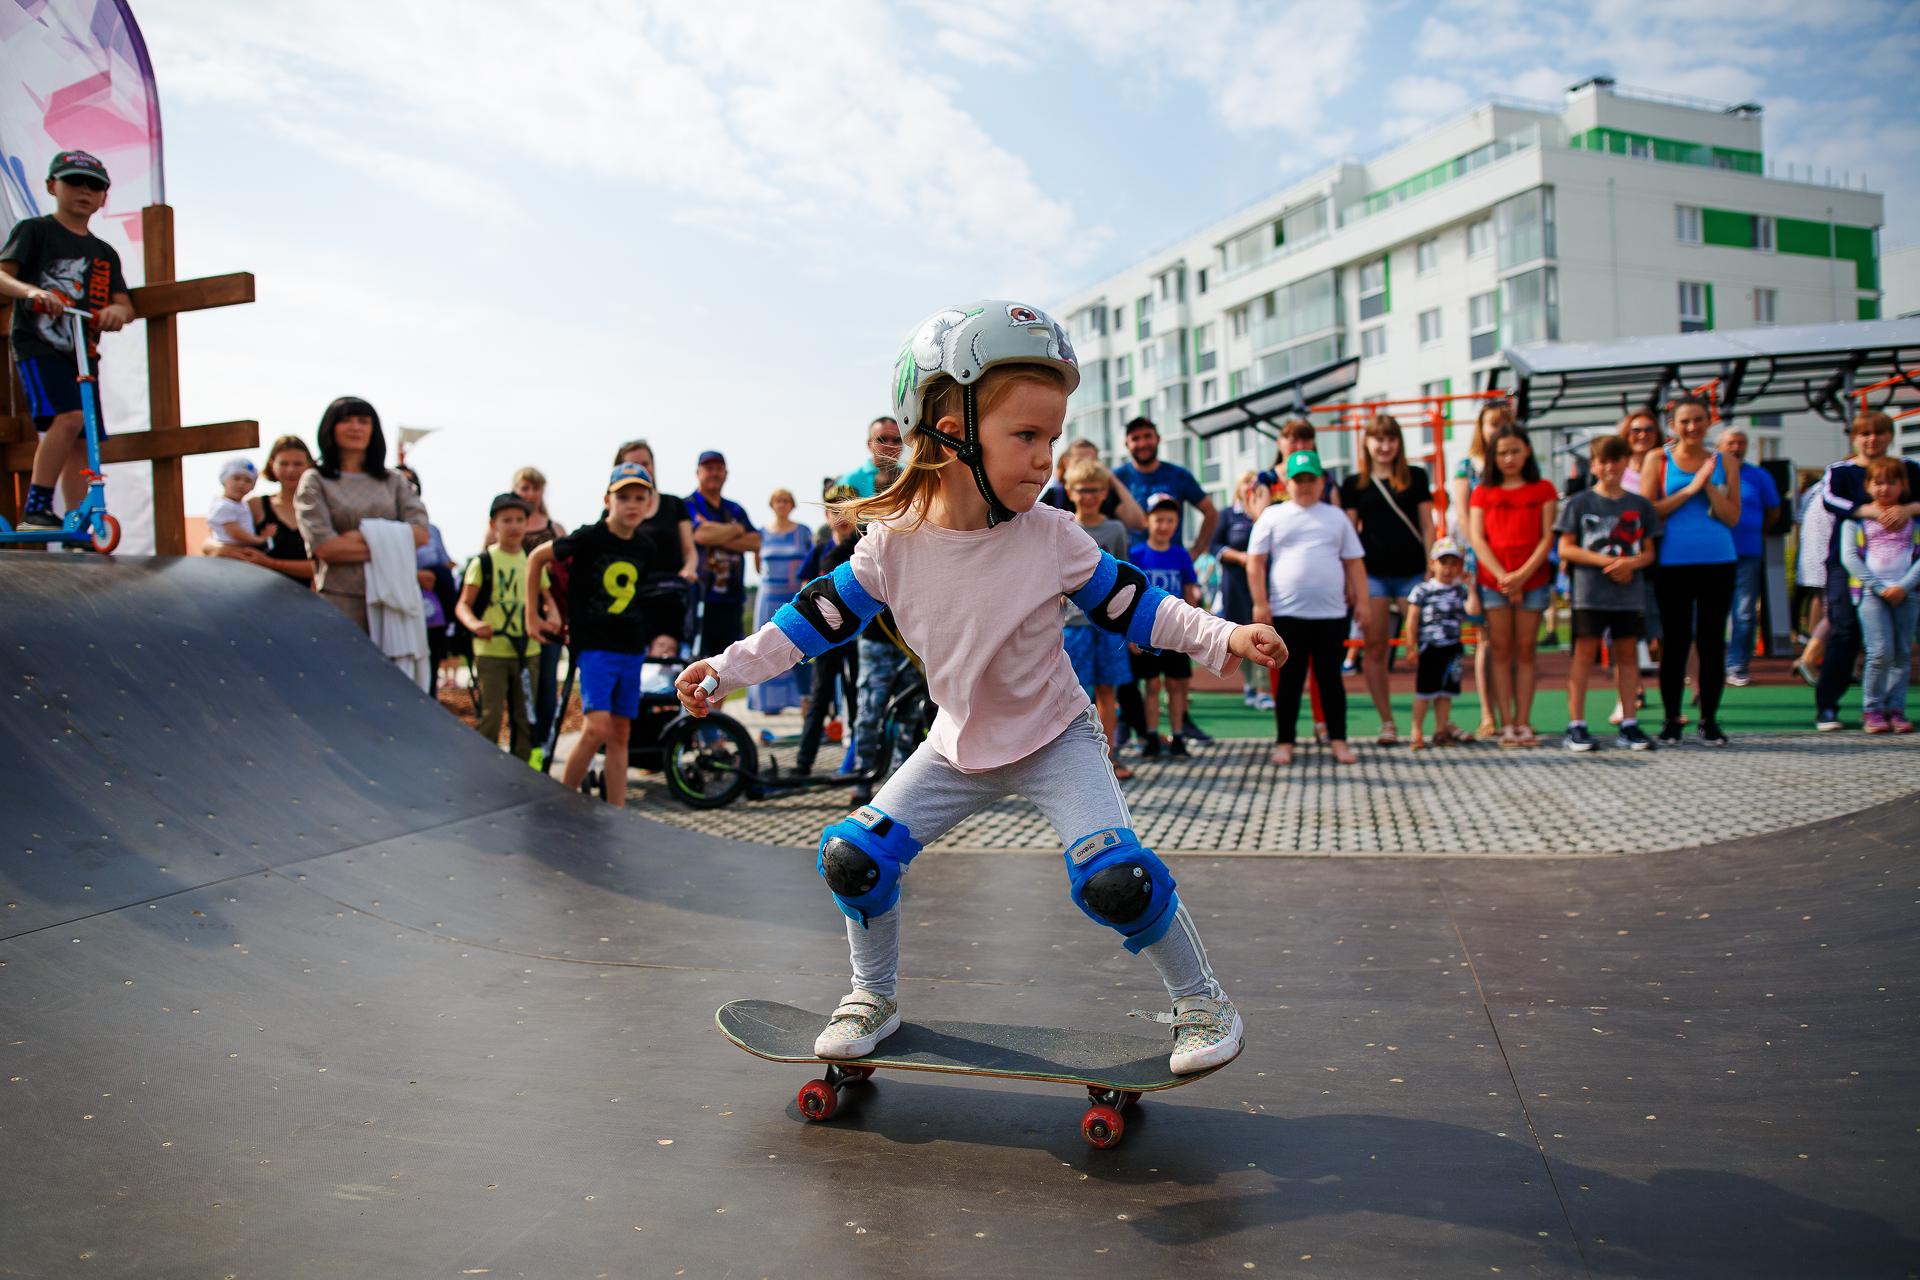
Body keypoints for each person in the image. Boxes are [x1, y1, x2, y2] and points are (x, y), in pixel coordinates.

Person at [677, 300, 1283, 1074]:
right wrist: (724, 670)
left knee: (1116, 879)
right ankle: (875, 995)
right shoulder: (891, 545)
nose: (1046, 460)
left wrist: (1224, 635)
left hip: (1056, 737)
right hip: (956, 744)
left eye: (1054, 439)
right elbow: (811, 620)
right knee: (854, 858)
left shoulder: (1054, 536)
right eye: (1026, 436)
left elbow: (1135, 603)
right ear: (948, 429)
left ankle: (1204, 1005)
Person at [0, 150, 134, 529]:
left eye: (95, 185)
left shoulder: (104, 253)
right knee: (69, 417)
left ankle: (79, 521)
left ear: (104, 197)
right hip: (39, 345)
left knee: (82, 435)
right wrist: (31, 293)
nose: (85, 190)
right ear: (52, 186)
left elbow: (124, 303)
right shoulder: (35, 230)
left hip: (83, 354)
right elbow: (3, 275)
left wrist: (116, 313)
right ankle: (37, 507)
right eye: (74, 181)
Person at [529, 464, 660, 807]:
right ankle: (560, 803)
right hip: (595, 647)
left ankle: (617, 810)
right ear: (607, 499)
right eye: (623, 497)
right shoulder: (588, 537)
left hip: (631, 647)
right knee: (596, 727)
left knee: (621, 733)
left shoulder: (645, 547)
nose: (631, 504)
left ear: (649, 504)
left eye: (639, 498)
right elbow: (536, 558)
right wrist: (532, 614)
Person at [1248, 449, 1364, 766]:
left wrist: (1363, 603)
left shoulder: (1336, 517)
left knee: (1330, 679)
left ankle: (1338, 740)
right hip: (1287, 613)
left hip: (1331, 614)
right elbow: (1254, 562)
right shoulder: (1273, 515)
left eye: (1310, 479)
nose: (1305, 485)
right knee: (1289, 680)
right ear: (1288, 482)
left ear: (1322, 481)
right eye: (1299, 479)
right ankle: (1285, 742)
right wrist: (1260, 602)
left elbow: (1354, 563)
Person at [1642, 396, 1740, 746]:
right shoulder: (1658, 459)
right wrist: (1691, 489)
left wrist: (1709, 484)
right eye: (1685, 421)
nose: (1692, 427)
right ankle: (1671, 719)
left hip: (1718, 560)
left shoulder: (1724, 461)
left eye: (1699, 420)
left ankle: (1709, 720)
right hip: (1672, 564)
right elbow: (1649, 511)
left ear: (1709, 421)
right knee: (1676, 642)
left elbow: (1732, 517)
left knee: (1713, 642)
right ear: (1673, 425)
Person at [1814, 411, 1920, 731]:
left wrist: (1908, 508)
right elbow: (1830, 501)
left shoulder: (1908, 469)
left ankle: (1892, 708)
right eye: (1865, 434)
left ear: (1889, 436)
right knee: (1844, 631)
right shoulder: (1841, 471)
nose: (1872, 440)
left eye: (1879, 433)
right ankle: (1828, 706)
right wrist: (1866, 510)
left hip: (1904, 570)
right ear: (1855, 438)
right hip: (1851, 564)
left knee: (1901, 645)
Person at [1555, 435, 1660, 753]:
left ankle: (1629, 722)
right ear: (1594, 464)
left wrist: (1632, 563)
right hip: (1589, 594)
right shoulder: (1580, 503)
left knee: (1627, 656)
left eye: (1616, 459)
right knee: (1583, 655)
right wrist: (1608, 561)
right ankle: (1576, 724)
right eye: (1603, 461)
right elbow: (1565, 547)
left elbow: (1649, 551)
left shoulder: (1639, 504)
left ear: (1626, 461)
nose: (1609, 467)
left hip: (1628, 595)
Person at [294, 397, 429, 633]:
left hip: (394, 596)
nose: (356, 427)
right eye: (346, 420)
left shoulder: (394, 480)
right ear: (331, 428)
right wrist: (391, 543)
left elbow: (420, 534)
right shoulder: (315, 480)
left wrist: (355, 537)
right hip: (341, 599)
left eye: (363, 421)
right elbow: (326, 548)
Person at [1339, 415, 1434, 746]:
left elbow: (1427, 525)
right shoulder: (1354, 485)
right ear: (1366, 442)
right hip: (1374, 575)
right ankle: (1387, 722)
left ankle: (1431, 719)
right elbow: (1350, 536)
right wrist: (1352, 581)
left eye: (1391, 439)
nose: (1384, 445)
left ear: (1399, 443)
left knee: (1425, 644)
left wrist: (1431, 566)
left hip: (1413, 573)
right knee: (1375, 648)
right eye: (1378, 439)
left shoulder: (1416, 477)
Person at [1468, 425, 1557, 748]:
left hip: (1533, 579)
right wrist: (1504, 577)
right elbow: (1477, 538)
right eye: (1502, 453)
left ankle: (1523, 721)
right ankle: (1505, 722)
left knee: (1526, 651)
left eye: (1515, 451)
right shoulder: (1483, 492)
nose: (1508, 458)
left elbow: (1548, 536)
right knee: (1500, 651)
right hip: (1493, 582)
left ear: (1527, 451)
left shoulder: (1543, 489)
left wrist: (1522, 574)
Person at [457, 493, 546, 761]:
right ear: (493, 524)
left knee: (524, 716)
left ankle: (521, 771)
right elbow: (463, 604)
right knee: (490, 715)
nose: (515, 526)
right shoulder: (483, 562)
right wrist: (475, 624)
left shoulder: (533, 561)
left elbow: (548, 599)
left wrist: (550, 618)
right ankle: (486, 769)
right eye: (507, 520)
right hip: (492, 650)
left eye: (520, 520)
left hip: (526, 650)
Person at [1062, 458, 1135, 780]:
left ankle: (1110, 755)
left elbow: (1127, 576)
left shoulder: (1115, 529)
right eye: (1082, 490)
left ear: (1105, 492)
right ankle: (1076, 759)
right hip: (1073, 625)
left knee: (1108, 691)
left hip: (1107, 624)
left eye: (1094, 490)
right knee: (1075, 693)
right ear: (1070, 491)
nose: (1088, 496)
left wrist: (1131, 626)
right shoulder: (1064, 527)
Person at [1839, 457, 1920, 734]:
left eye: (1892, 482)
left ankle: (1895, 709)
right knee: (1879, 652)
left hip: (1907, 593)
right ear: (1867, 485)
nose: (1884, 488)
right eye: (1878, 482)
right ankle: (1872, 709)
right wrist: (1877, 586)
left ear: (1904, 485)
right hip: (1871, 594)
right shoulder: (1856, 521)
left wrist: (1904, 586)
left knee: (1901, 652)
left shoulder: (1913, 520)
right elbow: (1849, 557)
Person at [791, 486, 862, 776]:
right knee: (820, 695)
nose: (841, 515)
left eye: (847, 508)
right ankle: (803, 763)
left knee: (856, 695)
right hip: (828, 637)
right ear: (826, 514)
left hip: (859, 633)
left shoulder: (863, 544)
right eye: (835, 509)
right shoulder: (820, 549)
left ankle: (858, 760)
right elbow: (805, 585)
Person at [1452, 401, 1512, 739]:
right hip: (1482, 562)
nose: (1499, 429)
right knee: (1486, 640)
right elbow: (1463, 519)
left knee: (1515, 641)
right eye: (1493, 423)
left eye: (1506, 423)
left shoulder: (1516, 465)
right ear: (1481, 428)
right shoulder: (1467, 468)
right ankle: (1489, 715)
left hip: (1516, 560)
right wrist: (1474, 572)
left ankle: (1513, 716)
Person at [1129, 493, 1204, 759]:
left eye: (1170, 520)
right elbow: (1130, 596)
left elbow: (1190, 591)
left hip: (1176, 631)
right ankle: (1150, 736)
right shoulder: (1136, 554)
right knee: (1151, 686)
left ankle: (1178, 736)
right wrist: (1130, 634)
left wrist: (1194, 629)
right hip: (1147, 632)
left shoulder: (1180, 555)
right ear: (1148, 521)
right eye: (1159, 519)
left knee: (1176, 686)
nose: (1164, 525)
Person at [200, 436, 316, 583]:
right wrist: (220, 549)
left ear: (309, 466)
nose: (290, 470)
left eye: (297, 464)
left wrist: (270, 564)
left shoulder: (319, 508)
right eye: (284, 463)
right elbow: (211, 542)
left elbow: (325, 566)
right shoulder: (255, 505)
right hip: (260, 596)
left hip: (308, 598)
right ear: (272, 464)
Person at [1717, 427, 1781, 687]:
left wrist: (1755, 531)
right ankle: (1706, 664)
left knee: (1743, 612)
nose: (1736, 447)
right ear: (1720, 446)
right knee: (1710, 612)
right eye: (1731, 443)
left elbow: (1773, 511)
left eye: (1741, 443)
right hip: (1715, 554)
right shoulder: (1710, 473)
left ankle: (1737, 665)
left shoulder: (1759, 476)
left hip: (1748, 553)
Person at [1210, 470, 1273, 710]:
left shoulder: (1267, 514)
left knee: (1262, 630)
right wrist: (1240, 557)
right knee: (1241, 632)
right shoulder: (1228, 514)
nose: (1251, 485)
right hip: (1235, 584)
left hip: (1262, 584)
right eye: (1246, 480)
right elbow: (1214, 545)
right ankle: (1250, 682)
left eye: (1255, 482)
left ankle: (1262, 687)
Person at [688, 450, 760, 658]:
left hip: (731, 599)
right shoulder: (689, 505)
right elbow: (700, 535)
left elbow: (755, 541)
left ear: (726, 473)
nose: (714, 474)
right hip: (700, 599)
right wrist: (736, 530)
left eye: (718, 469)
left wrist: (717, 534)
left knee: (727, 664)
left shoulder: (735, 509)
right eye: (709, 469)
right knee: (696, 662)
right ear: (698, 472)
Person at [394, 464, 460, 685]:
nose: (407, 488)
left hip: (431, 611)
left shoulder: (432, 530)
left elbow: (444, 561)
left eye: (411, 483)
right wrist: (413, 575)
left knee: (429, 668)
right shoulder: (381, 528)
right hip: (396, 609)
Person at [1113, 417, 1218, 556]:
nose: (1143, 443)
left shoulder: (1179, 475)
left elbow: (1211, 512)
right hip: (1132, 567)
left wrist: (1195, 553)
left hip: (1172, 566)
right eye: (1135, 438)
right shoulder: (1116, 479)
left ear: (1158, 439)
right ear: (1127, 444)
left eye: (1147, 436)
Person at [749, 488, 813, 714]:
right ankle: (770, 703)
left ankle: (804, 699)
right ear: (772, 504)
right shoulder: (761, 533)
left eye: (786, 501)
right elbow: (758, 564)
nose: (782, 505)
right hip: (768, 596)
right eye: (778, 501)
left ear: (792, 504)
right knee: (766, 646)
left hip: (794, 596)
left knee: (799, 645)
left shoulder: (803, 532)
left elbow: (811, 562)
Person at [1403, 539, 1470, 750]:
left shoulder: (1460, 591)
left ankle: (1441, 730)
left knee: (1445, 693)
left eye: (1454, 564)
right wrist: (1411, 646)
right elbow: (1412, 619)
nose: (1448, 569)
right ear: (1433, 564)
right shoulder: (1423, 590)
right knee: (1424, 692)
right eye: (1444, 562)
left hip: (1452, 647)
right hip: (1430, 648)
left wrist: (1473, 586)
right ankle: (1416, 731)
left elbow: (1471, 613)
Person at [1040, 438, 1147, 529]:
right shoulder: (1055, 495)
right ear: (1066, 463)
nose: (1086, 467)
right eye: (1079, 462)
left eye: (1091, 461)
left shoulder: (1105, 494)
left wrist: (1112, 480)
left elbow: (1138, 522)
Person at [1793, 475, 1834, 687]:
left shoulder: (1815, 491)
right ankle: (1810, 657)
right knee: (1837, 610)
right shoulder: (1834, 487)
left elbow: (1799, 522)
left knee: (1823, 602)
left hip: (1817, 556)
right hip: (1830, 557)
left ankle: (1814, 653)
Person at [208, 458, 269, 549]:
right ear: (224, 479)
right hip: (230, 552)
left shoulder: (240, 505)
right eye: (236, 478)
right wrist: (260, 540)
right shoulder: (224, 506)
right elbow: (235, 532)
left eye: (248, 480)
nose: (241, 484)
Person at [840, 417, 904, 497]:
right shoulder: (849, 480)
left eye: (896, 440)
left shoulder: (914, 476)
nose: (890, 445)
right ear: (869, 444)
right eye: (882, 439)